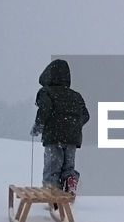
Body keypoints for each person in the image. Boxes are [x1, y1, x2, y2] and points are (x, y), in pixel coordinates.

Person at [31, 59, 90, 196]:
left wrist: (38, 126)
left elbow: (45, 108)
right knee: (68, 167)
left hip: (54, 136)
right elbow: (85, 115)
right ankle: (70, 180)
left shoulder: (46, 92)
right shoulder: (76, 96)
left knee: (53, 168)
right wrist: (73, 125)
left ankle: (52, 197)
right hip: (72, 139)